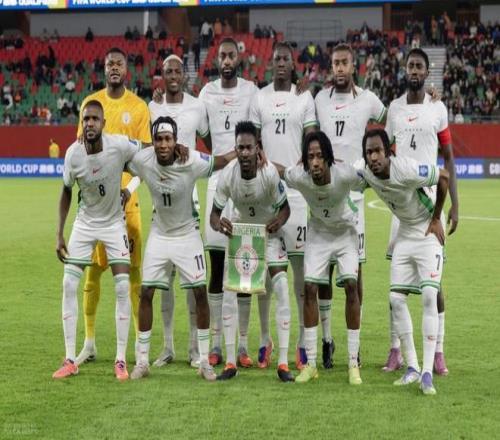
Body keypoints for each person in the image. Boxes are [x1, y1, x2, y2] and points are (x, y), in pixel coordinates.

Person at [127, 117, 234, 381]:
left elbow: (220, 161)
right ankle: (142, 361)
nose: (163, 144)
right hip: (160, 235)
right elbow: (119, 155)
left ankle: (204, 362)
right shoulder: (144, 160)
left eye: (168, 139)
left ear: (176, 141)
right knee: (146, 292)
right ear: (153, 142)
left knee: (199, 292)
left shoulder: (191, 160)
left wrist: (250, 149)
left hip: (188, 235)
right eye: (159, 139)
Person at [52, 100, 141, 380]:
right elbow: (66, 191)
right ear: (82, 123)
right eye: (86, 119)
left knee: (122, 286)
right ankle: (70, 359)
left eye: (94, 118)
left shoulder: (119, 145)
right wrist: (59, 233)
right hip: (85, 224)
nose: (90, 123)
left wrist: (130, 188)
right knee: (69, 284)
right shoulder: (73, 154)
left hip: (114, 223)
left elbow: (145, 158)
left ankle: (120, 360)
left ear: (103, 123)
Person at [383, 48, 458, 375]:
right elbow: (383, 151)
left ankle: (438, 351)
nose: (414, 70)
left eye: (419, 66)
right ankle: (395, 350)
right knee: (395, 286)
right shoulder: (394, 109)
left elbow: (449, 158)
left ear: (427, 73)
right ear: (405, 70)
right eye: (410, 65)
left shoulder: (437, 108)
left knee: (434, 285)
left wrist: (455, 205)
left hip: (431, 206)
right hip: (401, 208)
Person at [75, 48, 152, 366]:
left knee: (132, 275)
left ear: (127, 69)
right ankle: (89, 342)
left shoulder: (138, 107)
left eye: (119, 63)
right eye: (110, 64)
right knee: (93, 274)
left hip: (128, 206)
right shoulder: (91, 104)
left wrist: (128, 190)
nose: (115, 68)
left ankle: (137, 347)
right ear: (104, 69)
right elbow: (80, 153)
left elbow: (146, 161)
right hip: (96, 209)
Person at [361, 128, 449, 395]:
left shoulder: (407, 169)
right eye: (369, 152)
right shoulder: (364, 170)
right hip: (404, 234)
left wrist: (436, 218)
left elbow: (444, 177)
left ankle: (427, 373)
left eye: (378, 151)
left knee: (429, 296)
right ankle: (412, 367)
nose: (373, 157)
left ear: (389, 152)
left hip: (427, 230)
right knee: (396, 299)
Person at [314, 43, 386, 369]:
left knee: (354, 274)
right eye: (336, 63)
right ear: (331, 67)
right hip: (325, 196)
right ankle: (327, 340)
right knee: (324, 272)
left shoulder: (368, 99)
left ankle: (354, 348)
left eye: (345, 62)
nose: (340, 68)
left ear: (354, 66)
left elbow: (391, 122)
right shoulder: (320, 99)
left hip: (354, 197)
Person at [275, 131, 364, 385]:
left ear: (328, 159)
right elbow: (279, 171)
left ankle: (353, 363)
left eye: (319, 156)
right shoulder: (300, 176)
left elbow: (369, 178)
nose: (314, 162)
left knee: (351, 285)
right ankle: (311, 364)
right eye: (310, 157)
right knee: (310, 287)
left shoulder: (344, 174)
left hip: (345, 232)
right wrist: (263, 160)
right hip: (318, 234)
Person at [249, 41, 317, 370]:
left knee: (302, 275)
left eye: (285, 59)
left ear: (293, 64)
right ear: (271, 62)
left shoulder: (304, 98)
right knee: (265, 275)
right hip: (266, 197)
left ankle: (303, 341)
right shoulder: (259, 98)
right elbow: (251, 143)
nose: (280, 63)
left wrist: (297, 168)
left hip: (298, 197)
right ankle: (265, 339)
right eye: (276, 58)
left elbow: (312, 139)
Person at [210, 121, 294, 382]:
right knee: (229, 291)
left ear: (258, 148)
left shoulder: (269, 173)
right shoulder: (228, 175)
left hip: (268, 235)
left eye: (249, 147)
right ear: (235, 149)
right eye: (240, 148)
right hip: (242, 236)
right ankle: (230, 362)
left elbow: (285, 208)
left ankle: (283, 363)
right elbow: (214, 215)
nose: (244, 152)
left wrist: (278, 221)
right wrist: (219, 224)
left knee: (281, 287)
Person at [198, 38, 259, 368]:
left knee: (245, 266)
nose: (226, 60)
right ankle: (217, 343)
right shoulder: (206, 93)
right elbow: (205, 136)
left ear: (239, 58)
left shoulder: (251, 91)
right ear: (216, 59)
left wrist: (237, 157)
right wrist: (222, 157)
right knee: (218, 264)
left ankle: (244, 345)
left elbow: (256, 134)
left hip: (245, 184)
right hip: (217, 182)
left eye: (231, 55)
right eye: (221, 55)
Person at [148, 54, 212, 368]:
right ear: (161, 75)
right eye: (167, 71)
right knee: (165, 277)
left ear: (184, 75)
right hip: (162, 197)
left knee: (192, 278)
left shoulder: (197, 107)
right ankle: (168, 346)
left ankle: (194, 349)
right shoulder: (152, 107)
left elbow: (210, 143)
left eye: (177, 71)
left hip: (190, 199)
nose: (173, 75)